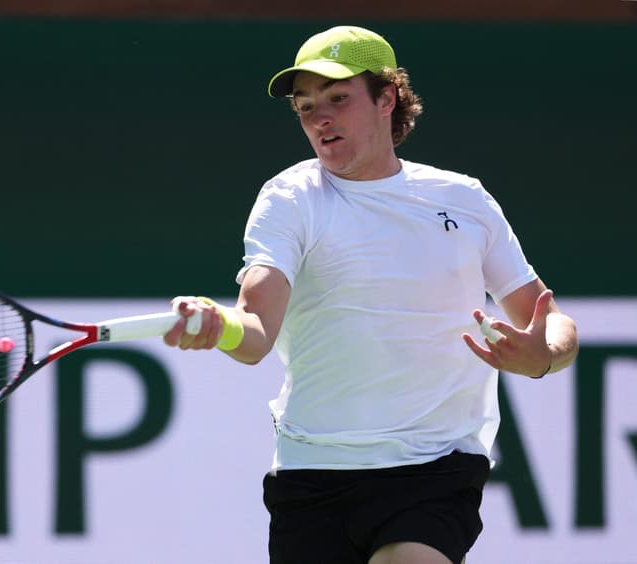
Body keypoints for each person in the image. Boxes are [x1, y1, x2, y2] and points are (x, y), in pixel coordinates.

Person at [163, 25, 578, 564]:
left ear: (388, 99)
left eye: (338, 98)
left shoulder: (464, 199)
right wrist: (220, 326)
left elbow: (548, 318)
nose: (319, 118)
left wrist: (543, 355)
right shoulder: (288, 199)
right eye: (305, 105)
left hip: (436, 468)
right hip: (312, 475)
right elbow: (256, 334)